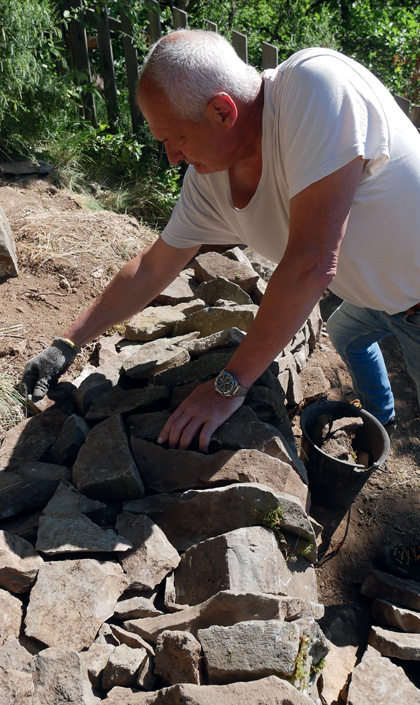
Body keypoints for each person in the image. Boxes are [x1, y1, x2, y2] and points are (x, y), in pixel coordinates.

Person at [20, 29, 420, 454]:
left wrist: (229, 386)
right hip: (377, 296)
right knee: (347, 335)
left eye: (176, 137)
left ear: (221, 111)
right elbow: (153, 267)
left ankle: (384, 430)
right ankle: (384, 419)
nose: (171, 156)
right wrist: (66, 344)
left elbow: (312, 261)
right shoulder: (208, 182)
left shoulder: (316, 86)